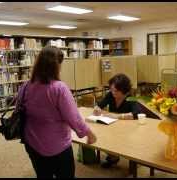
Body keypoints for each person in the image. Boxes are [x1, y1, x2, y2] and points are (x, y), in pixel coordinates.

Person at [18, 46, 97, 178]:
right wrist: (89, 134)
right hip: (57, 146)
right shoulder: (59, 88)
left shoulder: (25, 86)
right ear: (55, 66)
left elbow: (19, 110)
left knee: (43, 175)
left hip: (32, 142)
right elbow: (73, 117)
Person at [93, 73, 140, 168]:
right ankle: (113, 156)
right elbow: (100, 104)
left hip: (129, 129)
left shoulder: (131, 97)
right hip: (112, 126)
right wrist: (97, 108)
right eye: (112, 89)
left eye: (116, 91)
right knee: (100, 134)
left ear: (124, 90)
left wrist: (117, 116)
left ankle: (119, 156)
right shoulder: (111, 94)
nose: (113, 93)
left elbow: (137, 114)